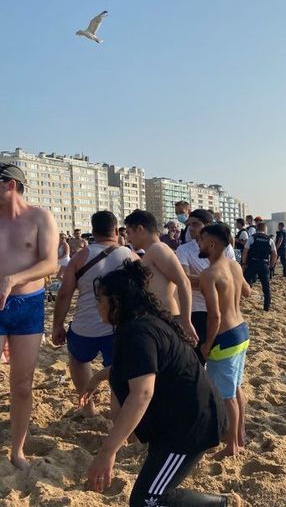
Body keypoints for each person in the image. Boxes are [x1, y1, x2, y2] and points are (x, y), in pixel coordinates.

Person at [83, 260, 238, 506]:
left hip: (191, 426)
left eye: (100, 300)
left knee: (148, 500)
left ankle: (222, 504)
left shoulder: (139, 332)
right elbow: (144, 365)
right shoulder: (139, 323)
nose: (97, 306)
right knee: (148, 497)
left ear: (117, 302)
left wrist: (107, 451)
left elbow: (142, 393)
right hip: (176, 422)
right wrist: (98, 377)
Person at [0, 163, 59, 469]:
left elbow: (51, 264)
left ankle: (17, 451)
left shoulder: (40, 217)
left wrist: (13, 279)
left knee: (22, 384)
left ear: (10, 185)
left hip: (28, 306)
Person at [51, 211, 137, 417]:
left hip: (85, 324)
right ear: (116, 231)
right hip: (118, 326)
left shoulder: (81, 256)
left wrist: (58, 325)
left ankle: (89, 410)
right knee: (118, 372)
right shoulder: (129, 256)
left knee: (79, 361)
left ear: (94, 231)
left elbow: (64, 294)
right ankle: (118, 417)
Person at [199, 223, 251, 459]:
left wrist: (207, 344)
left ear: (212, 244)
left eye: (201, 240)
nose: (199, 244)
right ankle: (239, 437)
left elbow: (215, 316)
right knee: (236, 387)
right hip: (241, 330)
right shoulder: (234, 266)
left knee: (225, 395)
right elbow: (247, 292)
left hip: (225, 337)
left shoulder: (209, 274)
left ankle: (231, 447)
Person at [176, 209, 240, 362]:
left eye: (196, 224)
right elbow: (185, 280)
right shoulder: (183, 249)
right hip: (196, 309)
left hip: (221, 311)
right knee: (197, 358)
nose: (191, 228)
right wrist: (215, 280)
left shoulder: (227, 248)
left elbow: (237, 280)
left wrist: (211, 280)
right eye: (189, 224)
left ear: (209, 226)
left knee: (219, 359)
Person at [124, 210, 197, 342]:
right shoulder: (151, 251)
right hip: (160, 320)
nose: (128, 238)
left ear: (140, 229)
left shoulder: (158, 249)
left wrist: (186, 321)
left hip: (168, 319)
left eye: (129, 232)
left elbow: (184, 282)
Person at [242, 222, 276, 311]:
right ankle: (266, 307)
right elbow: (274, 254)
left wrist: (244, 263)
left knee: (243, 282)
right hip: (264, 264)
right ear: (265, 229)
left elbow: (245, 252)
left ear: (257, 229)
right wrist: (271, 266)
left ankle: (237, 302)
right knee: (266, 286)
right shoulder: (270, 239)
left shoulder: (252, 237)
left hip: (252, 262)